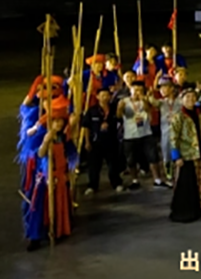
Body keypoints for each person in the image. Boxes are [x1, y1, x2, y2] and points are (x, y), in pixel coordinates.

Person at [20, 76, 76, 250]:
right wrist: (45, 141)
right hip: (44, 175)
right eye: (55, 121)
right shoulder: (40, 128)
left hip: (60, 176)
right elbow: (39, 154)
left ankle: (58, 230)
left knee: (59, 204)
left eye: (60, 121)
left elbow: (71, 154)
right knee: (38, 205)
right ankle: (35, 236)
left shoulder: (63, 135)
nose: (58, 124)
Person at [169, 86, 201, 222]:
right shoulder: (179, 116)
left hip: (200, 152)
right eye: (187, 97)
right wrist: (176, 155)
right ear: (181, 100)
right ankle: (188, 210)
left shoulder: (199, 114)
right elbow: (173, 137)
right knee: (187, 184)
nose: (191, 99)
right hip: (187, 155)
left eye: (193, 97)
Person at [120, 82, 165, 189]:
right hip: (130, 135)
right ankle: (135, 180)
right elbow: (118, 115)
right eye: (135, 90)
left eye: (140, 90)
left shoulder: (145, 100)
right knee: (131, 160)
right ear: (130, 90)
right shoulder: (124, 101)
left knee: (153, 157)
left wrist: (144, 100)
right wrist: (120, 108)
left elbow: (149, 111)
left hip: (146, 133)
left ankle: (157, 179)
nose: (137, 92)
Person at [83, 88, 126, 195]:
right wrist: (87, 141)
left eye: (107, 95)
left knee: (113, 164)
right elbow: (86, 127)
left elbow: (120, 119)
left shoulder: (114, 109)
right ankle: (92, 185)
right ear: (97, 97)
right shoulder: (92, 110)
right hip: (95, 142)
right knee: (94, 166)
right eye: (102, 95)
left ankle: (116, 183)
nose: (105, 98)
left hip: (111, 141)